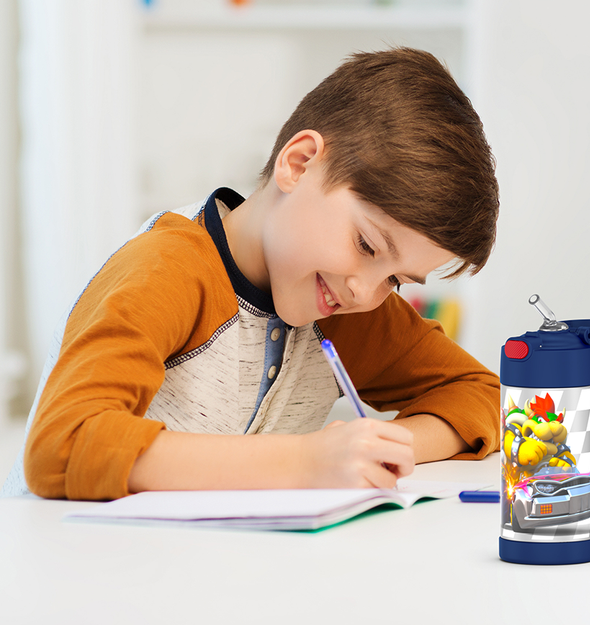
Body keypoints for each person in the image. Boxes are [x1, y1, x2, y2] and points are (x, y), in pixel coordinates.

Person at [2, 47, 501, 501]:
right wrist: (307, 462)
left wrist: (381, 448)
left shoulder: (344, 303)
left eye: (397, 280)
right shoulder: (166, 270)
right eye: (367, 245)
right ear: (300, 164)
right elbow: (61, 443)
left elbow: (486, 395)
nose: (366, 291)